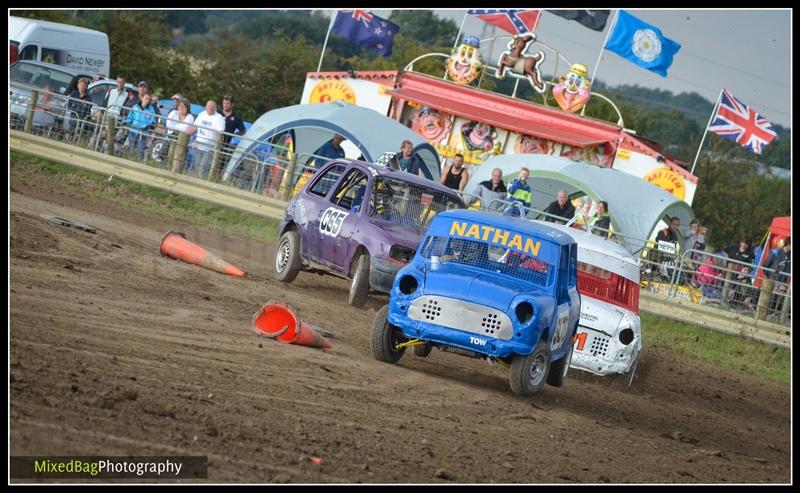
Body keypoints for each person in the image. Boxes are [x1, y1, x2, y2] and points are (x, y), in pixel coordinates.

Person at [188, 99, 226, 179]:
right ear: (206, 107)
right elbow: (195, 126)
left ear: (215, 108)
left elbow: (221, 133)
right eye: (209, 106)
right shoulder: (202, 114)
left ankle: (202, 185)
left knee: (202, 169)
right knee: (196, 167)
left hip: (210, 148)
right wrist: (186, 132)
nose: (210, 108)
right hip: (198, 145)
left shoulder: (219, 118)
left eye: (213, 106)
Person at [123, 93, 157, 160]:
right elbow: (130, 117)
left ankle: (138, 162)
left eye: (149, 99)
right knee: (131, 149)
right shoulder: (135, 107)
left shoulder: (151, 109)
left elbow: (153, 120)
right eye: (146, 98)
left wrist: (148, 126)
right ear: (142, 99)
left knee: (140, 151)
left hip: (143, 133)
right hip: (133, 131)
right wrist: (126, 122)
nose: (147, 100)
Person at [218, 94, 246, 170]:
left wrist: (233, 134)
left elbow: (243, 131)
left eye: (228, 103)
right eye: (224, 103)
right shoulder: (217, 113)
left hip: (225, 144)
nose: (225, 105)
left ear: (232, 104)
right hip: (214, 141)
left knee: (220, 164)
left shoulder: (236, 118)